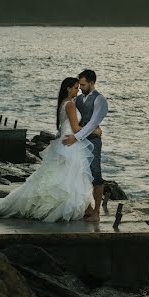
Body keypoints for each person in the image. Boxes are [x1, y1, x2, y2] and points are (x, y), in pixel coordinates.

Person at [0, 78, 97, 222]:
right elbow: (76, 128)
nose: (77, 90)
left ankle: (62, 205)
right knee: (66, 176)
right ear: (68, 88)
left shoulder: (63, 103)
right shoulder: (70, 105)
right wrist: (94, 130)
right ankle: (58, 207)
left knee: (62, 176)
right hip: (69, 143)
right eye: (75, 87)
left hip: (65, 142)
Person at [62, 69, 108, 222]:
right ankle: (87, 208)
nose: (80, 87)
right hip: (81, 140)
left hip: (92, 142)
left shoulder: (100, 100)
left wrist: (76, 137)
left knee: (96, 174)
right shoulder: (78, 99)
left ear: (92, 83)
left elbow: (94, 122)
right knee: (83, 173)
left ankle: (96, 212)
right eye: (79, 85)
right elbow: (75, 120)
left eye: (83, 84)